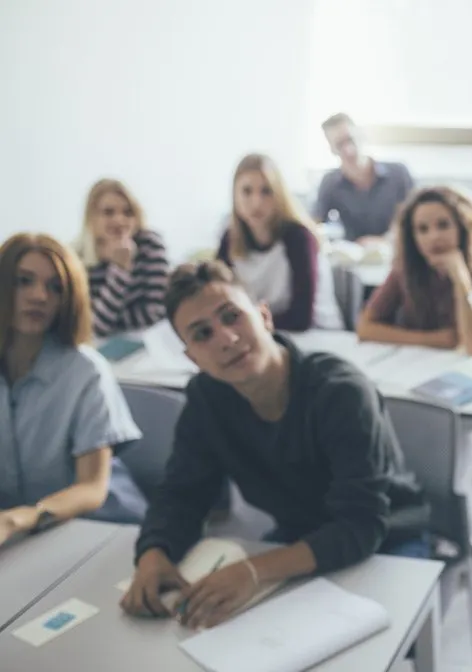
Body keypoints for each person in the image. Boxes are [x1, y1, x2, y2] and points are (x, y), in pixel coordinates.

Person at [121, 261, 427, 629]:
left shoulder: (341, 392)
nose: (225, 339)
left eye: (232, 316)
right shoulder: (207, 398)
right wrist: (154, 552)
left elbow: (361, 526)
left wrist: (253, 571)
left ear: (264, 316)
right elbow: (182, 492)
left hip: (388, 540)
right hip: (299, 534)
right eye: (202, 334)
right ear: (192, 357)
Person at [0, 233, 147, 545]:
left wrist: (23, 517)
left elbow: (92, 488)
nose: (39, 296)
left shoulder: (85, 371)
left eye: (55, 287)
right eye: (23, 281)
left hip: (96, 523)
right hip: (17, 535)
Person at [356, 186, 472, 356]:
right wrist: (433, 340)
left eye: (443, 225)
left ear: (463, 226)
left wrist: (461, 279)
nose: (434, 237)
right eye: (422, 229)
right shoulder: (404, 270)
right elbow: (365, 328)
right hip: (420, 362)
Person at [216, 153, 342, 331]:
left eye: (266, 191)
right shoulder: (229, 239)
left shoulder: (299, 238)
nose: (256, 202)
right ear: (234, 195)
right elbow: (217, 299)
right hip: (262, 333)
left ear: (279, 195)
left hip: (316, 334)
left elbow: (301, 318)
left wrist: (248, 324)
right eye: (246, 191)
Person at [75, 179, 169, 337]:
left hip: (151, 340)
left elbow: (156, 312)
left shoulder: (150, 245)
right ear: (92, 218)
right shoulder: (80, 262)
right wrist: (120, 270)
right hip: (107, 350)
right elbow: (95, 327)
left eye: (128, 212)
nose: (119, 220)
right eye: (108, 212)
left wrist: (112, 320)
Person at [314, 113, 414, 245]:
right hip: (354, 257)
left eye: (350, 140)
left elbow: (413, 217)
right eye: (339, 145)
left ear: (361, 135)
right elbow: (314, 223)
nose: (348, 150)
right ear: (332, 149)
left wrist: (384, 241)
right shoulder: (330, 182)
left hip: (397, 249)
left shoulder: (398, 173)